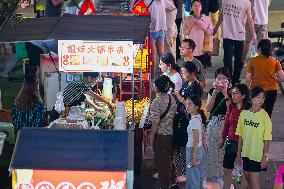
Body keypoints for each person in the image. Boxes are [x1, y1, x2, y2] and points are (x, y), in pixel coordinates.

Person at [172, 62, 203, 183]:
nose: (183, 75)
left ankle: (187, 173)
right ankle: (184, 171)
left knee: (188, 144)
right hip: (182, 118)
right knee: (181, 145)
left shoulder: (196, 87)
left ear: (192, 73)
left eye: (185, 73)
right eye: (182, 72)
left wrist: (178, 96)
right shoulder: (186, 83)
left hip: (189, 119)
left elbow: (191, 104)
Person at [213, 0, 256, 87]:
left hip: (239, 35)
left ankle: (235, 80)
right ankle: (228, 79)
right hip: (227, 34)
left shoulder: (246, 3)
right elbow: (222, 14)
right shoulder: (225, 1)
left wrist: (253, 34)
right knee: (227, 58)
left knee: (239, 60)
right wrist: (216, 27)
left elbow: (250, 20)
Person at [236, 86, 272, 189]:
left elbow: (267, 139)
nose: (261, 100)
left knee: (254, 180)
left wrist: (265, 156)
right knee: (246, 178)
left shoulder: (265, 116)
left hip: (257, 155)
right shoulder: (244, 114)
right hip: (245, 153)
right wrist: (238, 154)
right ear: (251, 98)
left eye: (263, 97)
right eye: (258, 97)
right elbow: (240, 135)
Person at [149, 75, 177, 189]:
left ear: (157, 87)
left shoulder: (157, 101)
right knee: (169, 159)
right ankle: (173, 181)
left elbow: (155, 123)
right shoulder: (171, 98)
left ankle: (164, 185)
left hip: (161, 135)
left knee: (162, 163)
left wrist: (151, 137)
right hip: (171, 133)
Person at [220, 83, 250, 189]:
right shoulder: (231, 106)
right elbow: (226, 124)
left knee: (241, 175)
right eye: (232, 92)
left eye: (235, 93)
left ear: (243, 95)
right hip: (230, 142)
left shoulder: (249, 110)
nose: (232, 95)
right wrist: (223, 139)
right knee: (227, 171)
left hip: (244, 145)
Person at [245, 39, 284, 118]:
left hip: (256, 92)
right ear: (270, 49)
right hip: (271, 92)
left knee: (256, 114)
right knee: (267, 114)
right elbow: (282, 78)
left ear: (259, 49)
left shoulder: (253, 61)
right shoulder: (275, 61)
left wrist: (246, 91)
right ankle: (266, 129)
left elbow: (248, 79)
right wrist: (276, 79)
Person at [206, 67, 230, 178]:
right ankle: (211, 176)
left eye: (223, 79)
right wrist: (215, 94)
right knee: (211, 150)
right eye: (218, 79)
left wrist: (226, 94)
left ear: (228, 80)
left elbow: (230, 109)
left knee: (223, 152)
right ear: (215, 80)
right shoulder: (212, 91)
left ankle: (222, 177)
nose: (221, 81)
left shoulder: (232, 93)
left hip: (226, 126)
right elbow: (208, 109)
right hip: (213, 125)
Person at [184, 95, 207, 189]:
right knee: (200, 176)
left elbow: (196, 140)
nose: (187, 106)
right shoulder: (198, 116)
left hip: (193, 150)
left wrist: (193, 157)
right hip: (200, 150)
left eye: (190, 104)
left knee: (193, 178)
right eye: (186, 104)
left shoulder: (194, 121)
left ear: (196, 106)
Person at [183, 0, 213, 68]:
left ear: (201, 7)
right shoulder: (188, 19)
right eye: (194, 6)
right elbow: (185, 33)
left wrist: (203, 28)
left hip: (203, 49)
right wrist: (191, 25)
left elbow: (210, 33)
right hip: (191, 50)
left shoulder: (206, 19)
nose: (197, 8)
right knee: (191, 71)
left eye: (198, 6)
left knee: (202, 70)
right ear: (191, 8)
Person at [145, 0, 166, 79]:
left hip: (152, 29)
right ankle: (163, 73)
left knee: (153, 55)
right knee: (161, 53)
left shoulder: (147, 1)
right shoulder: (163, 1)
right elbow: (172, 7)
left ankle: (153, 76)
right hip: (161, 28)